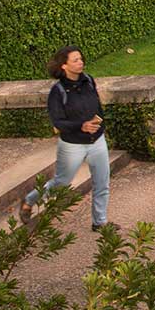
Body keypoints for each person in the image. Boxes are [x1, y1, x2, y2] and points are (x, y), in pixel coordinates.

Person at [19, 45, 114, 231]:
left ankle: (100, 222)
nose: (81, 63)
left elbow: (97, 105)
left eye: (81, 59)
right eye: (75, 60)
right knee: (61, 182)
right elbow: (58, 121)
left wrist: (99, 126)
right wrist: (81, 126)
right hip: (72, 145)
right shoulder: (58, 91)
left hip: (97, 141)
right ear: (64, 66)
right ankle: (30, 200)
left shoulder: (88, 80)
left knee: (102, 183)